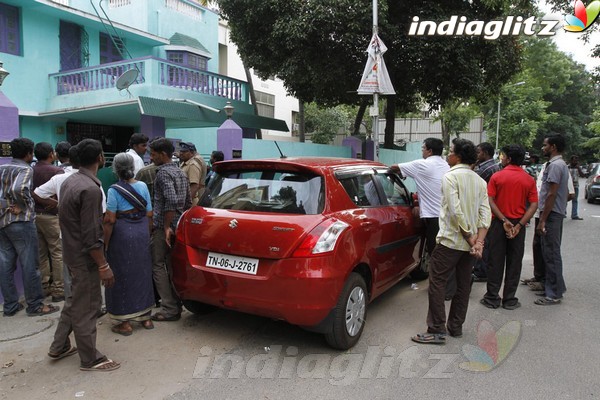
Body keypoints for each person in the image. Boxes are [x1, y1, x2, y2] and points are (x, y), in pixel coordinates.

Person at [48, 139, 120, 371]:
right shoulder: (90, 189)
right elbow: (91, 234)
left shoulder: (71, 180)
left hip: (72, 252)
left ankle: (59, 345)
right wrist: (102, 265)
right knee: (88, 306)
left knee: (75, 300)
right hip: (84, 256)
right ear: (100, 157)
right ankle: (90, 358)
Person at [411, 138, 491, 345]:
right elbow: (485, 213)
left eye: (451, 151)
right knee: (463, 285)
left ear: (458, 156)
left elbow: (455, 212)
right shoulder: (480, 181)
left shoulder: (450, 177)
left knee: (437, 283)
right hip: (469, 245)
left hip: (450, 242)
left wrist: (470, 238)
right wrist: (478, 242)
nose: (448, 155)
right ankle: (455, 327)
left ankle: (437, 329)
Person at [0, 138, 60, 317]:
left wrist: (6, 205)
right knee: (30, 265)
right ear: (29, 153)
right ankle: (35, 305)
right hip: (22, 222)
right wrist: (23, 204)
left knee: (5, 264)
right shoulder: (26, 169)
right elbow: (20, 189)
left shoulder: (2, 168)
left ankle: (10, 305)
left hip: (3, 222)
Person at [480, 144, 538, 310]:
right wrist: (519, 224)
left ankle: (492, 297)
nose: (502, 158)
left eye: (504, 156)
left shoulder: (497, 177)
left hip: (499, 223)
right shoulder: (528, 179)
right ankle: (510, 299)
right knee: (514, 261)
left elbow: (490, 201)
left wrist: (504, 219)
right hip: (519, 224)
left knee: (495, 260)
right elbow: (533, 205)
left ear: (509, 159)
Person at [103, 153, 154, 336]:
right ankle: (146, 317)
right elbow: (149, 213)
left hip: (122, 234)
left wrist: (105, 244)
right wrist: (146, 234)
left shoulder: (113, 190)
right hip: (141, 231)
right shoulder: (142, 186)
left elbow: (109, 219)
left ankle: (124, 323)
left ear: (115, 168)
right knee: (142, 272)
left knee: (121, 273)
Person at [149, 138, 191, 322]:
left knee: (158, 264)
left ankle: (169, 308)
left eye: (153, 154)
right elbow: (188, 201)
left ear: (163, 154)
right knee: (171, 264)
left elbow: (172, 201)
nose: (151, 157)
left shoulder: (163, 174)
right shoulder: (180, 172)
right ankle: (176, 303)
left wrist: (166, 227)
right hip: (178, 225)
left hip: (164, 227)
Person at [533, 134, 569, 306]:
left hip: (552, 214)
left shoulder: (555, 166)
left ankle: (554, 293)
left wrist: (542, 220)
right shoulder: (558, 164)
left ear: (553, 147)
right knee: (547, 252)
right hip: (552, 213)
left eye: (545, 145)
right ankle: (552, 287)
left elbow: (552, 193)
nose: (543, 148)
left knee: (551, 253)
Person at [32, 142, 65, 302]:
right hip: (52, 216)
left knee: (41, 253)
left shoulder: (30, 170)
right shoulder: (57, 171)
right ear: (51, 154)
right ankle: (58, 289)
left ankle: (44, 287)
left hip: (35, 216)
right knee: (57, 252)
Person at [472, 142, 501, 282]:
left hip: (484, 208)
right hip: (489, 208)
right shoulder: (494, 166)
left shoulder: (485, 168)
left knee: (483, 241)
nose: (477, 155)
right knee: (486, 241)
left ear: (485, 152)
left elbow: (472, 181)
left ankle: (481, 270)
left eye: (478, 152)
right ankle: (482, 269)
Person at [179, 142, 207, 206]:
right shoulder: (185, 163)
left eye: (184, 152)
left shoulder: (192, 165)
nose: (181, 153)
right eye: (180, 151)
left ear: (192, 153)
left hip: (190, 203)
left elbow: (194, 186)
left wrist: (187, 203)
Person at [568, 155, 584, 220]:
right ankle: (563, 213)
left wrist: (579, 169)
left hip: (575, 185)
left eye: (576, 161)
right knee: (565, 200)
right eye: (574, 160)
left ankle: (574, 215)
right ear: (571, 160)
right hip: (568, 186)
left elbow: (583, 175)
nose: (575, 162)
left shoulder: (578, 168)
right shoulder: (567, 167)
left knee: (575, 200)